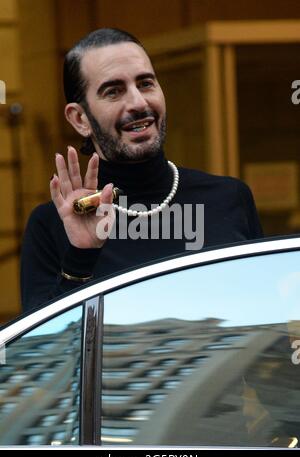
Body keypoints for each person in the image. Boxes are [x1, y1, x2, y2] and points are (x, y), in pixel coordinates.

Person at [21, 28, 263, 312]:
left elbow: (269, 321)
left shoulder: (229, 198)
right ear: (80, 118)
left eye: (146, 83)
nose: (138, 103)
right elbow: (46, 352)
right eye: (114, 91)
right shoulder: (51, 225)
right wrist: (81, 256)